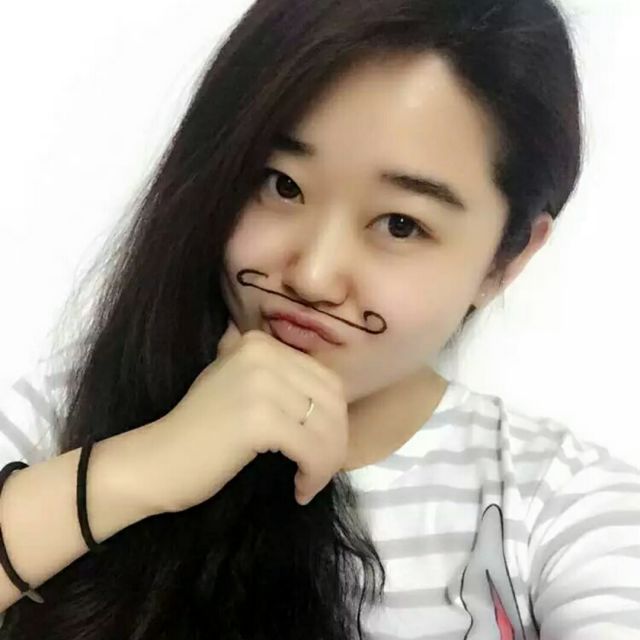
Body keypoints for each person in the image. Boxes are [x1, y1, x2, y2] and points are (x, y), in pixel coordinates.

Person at [0, 0, 639, 638]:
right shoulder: (67, 421)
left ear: (507, 258)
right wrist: (142, 469)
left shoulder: (559, 504)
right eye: (281, 184)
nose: (312, 275)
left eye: (400, 224)